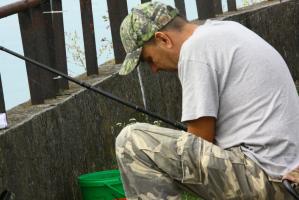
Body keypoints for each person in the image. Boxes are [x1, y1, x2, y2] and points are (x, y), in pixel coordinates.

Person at [115, 1, 299, 199]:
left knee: (131, 141)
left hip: (267, 181)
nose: (154, 69)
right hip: (287, 176)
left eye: (149, 59)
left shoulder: (195, 50)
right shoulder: (228, 30)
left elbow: (200, 141)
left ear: (163, 39)